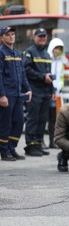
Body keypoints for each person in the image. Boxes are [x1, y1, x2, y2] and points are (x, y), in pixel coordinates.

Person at [0, 26, 32, 161]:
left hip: (18, 94)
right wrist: (2, 95)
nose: (11, 36)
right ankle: (4, 151)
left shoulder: (18, 54)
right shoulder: (1, 53)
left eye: (12, 34)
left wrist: (28, 89)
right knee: (5, 124)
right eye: (7, 35)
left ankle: (12, 148)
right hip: (7, 94)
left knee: (19, 122)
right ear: (2, 38)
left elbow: (23, 74)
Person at [23, 28, 55, 156]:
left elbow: (50, 75)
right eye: (39, 36)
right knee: (33, 118)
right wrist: (42, 77)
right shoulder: (29, 52)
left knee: (42, 119)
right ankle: (30, 145)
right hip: (34, 91)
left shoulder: (47, 55)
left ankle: (38, 144)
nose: (42, 38)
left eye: (44, 36)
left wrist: (52, 90)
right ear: (34, 37)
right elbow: (27, 70)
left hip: (46, 92)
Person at [47, 37, 69, 149]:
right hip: (49, 92)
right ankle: (46, 141)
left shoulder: (62, 60)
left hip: (58, 93)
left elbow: (68, 66)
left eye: (60, 49)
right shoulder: (47, 59)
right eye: (56, 48)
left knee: (57, 118)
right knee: (48, 118)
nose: (57, 51)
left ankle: (54, 141)